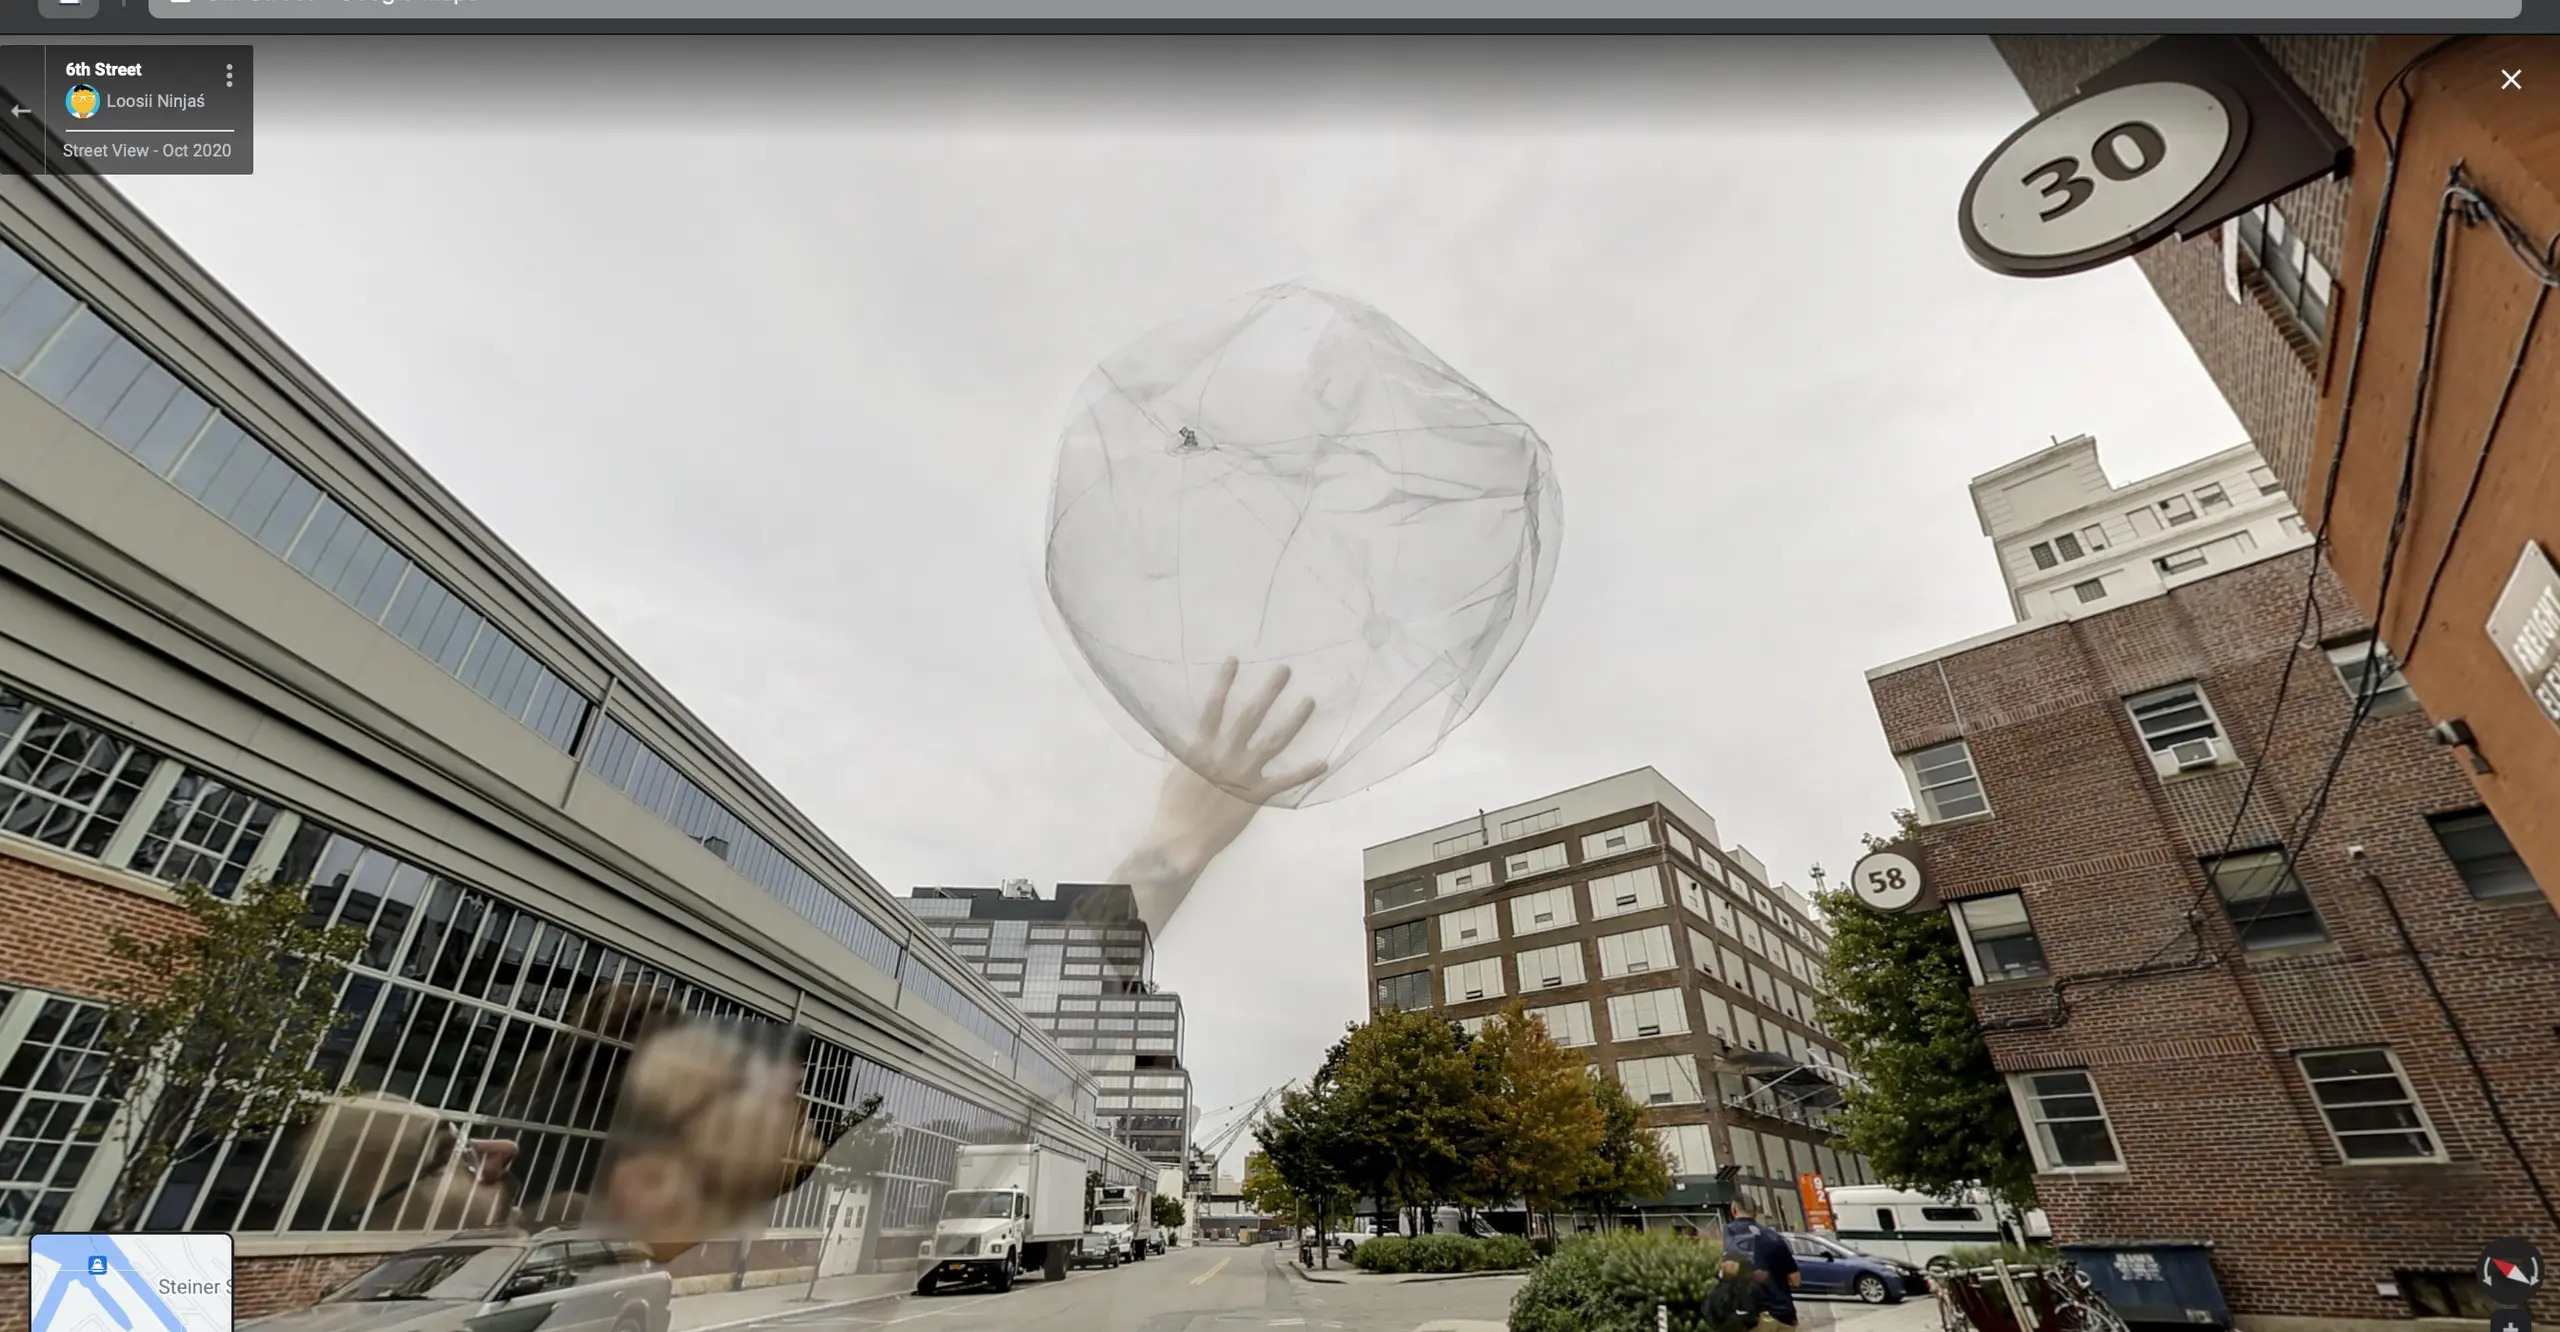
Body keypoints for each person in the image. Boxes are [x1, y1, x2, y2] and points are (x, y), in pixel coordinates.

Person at [1722, 1198, 1802, 1329]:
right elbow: (1796, 1280)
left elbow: (1729, 1272)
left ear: (1733, 1210)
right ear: (1756, 1212)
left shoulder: (1730, 1233)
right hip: (1784, 1315)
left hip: (1754, 1318)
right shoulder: (1774, 1236)